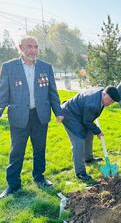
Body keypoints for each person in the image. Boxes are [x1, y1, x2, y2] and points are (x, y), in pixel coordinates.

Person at [0, 36, 64, 198]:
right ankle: (13, 184)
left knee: (40, 149)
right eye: (29, 46)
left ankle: (39, 177)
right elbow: (3, 93)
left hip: (40, 115)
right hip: (19, 116)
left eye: (35, 47)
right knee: (17, 151)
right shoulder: (9, 67)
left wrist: (58, 111)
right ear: (21, 47)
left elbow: (52, 92)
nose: (33, 50)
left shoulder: (45, 67)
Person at [61, 86, 120, 180]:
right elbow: (87, 121)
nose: (110, 103)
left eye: (113, 102)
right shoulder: (92, 104)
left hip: (80, 112)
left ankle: (88, 158)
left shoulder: (101, 94)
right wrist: (98, 131)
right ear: (104, 94)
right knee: (79, 141)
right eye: (110, 100)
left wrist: (95, 131)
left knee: (89, 132)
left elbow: (88, 120)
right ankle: (80, 172)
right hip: (69, 114)